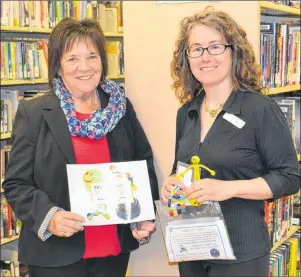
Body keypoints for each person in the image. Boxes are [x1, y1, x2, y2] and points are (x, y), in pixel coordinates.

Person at [3, 18, 159, 277]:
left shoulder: (119, 108)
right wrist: (49, 217)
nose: (84, 68)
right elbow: (16, 183)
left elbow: (142, 164)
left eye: (92, 57)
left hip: (113, 253)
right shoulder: (35, 113)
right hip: (56, 256)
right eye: (72, 59)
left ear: (102, 62)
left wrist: (143, 213)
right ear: (58, 65)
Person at [161, 7, 300, 277]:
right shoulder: (186, 113)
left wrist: (229, 188)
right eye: (196, 49)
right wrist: (171, 183)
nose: (206, 57)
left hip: (241, 253)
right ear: (186, 57)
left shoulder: (259, 110)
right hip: (192, 246)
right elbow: (182, 166)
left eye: (215, 46)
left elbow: (289, 177)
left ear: (233, 51)